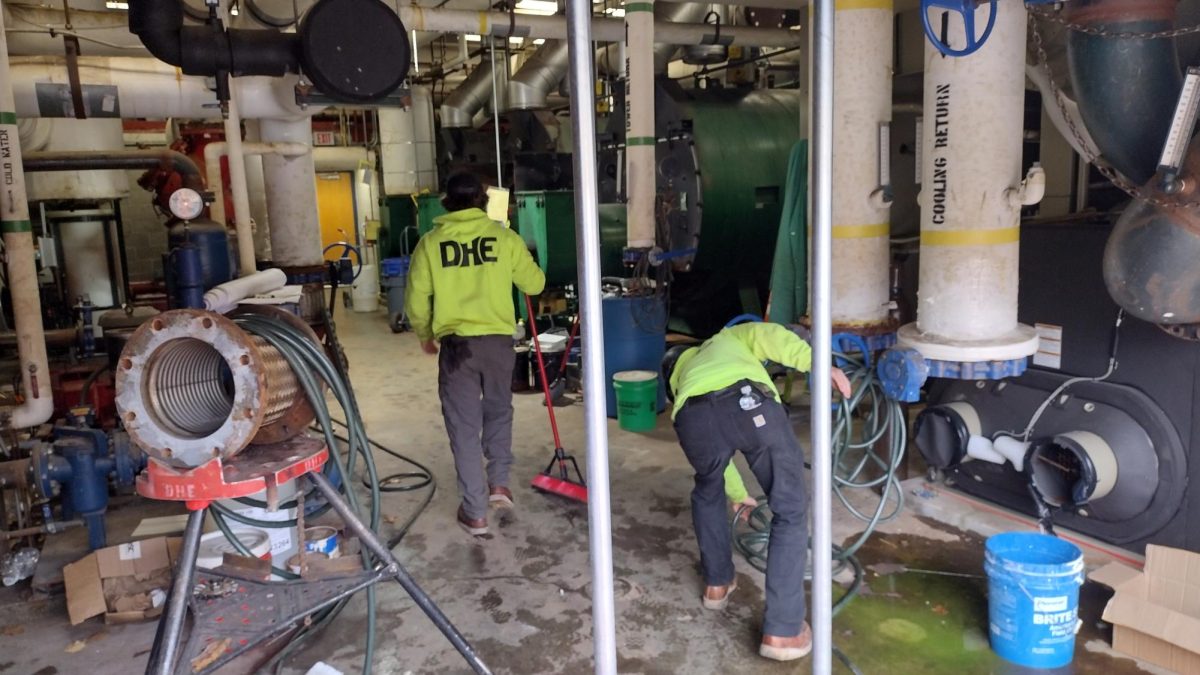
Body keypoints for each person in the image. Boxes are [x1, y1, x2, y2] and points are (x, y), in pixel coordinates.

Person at [663, 322, 852, 661]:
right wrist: (817, 364)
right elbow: (770, 337)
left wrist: (736, 494)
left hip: (693, 419)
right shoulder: (725, 337)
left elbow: (720, 462)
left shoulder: (683, 380)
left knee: (707, 489)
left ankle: (717, 584)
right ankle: (783, 631)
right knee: (790, 509)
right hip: (747, 402)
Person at [405, 172, 546, 536]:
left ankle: (476, 512)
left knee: (464, 427)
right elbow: (535, 284)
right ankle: (499, 484)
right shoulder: (503, 237)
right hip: (499, 343)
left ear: (446, 202)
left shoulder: (431, 243)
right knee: (499, 410)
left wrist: (424, 334)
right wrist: (518, 253)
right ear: (483, 201)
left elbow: (416, 299)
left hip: (458, 348)